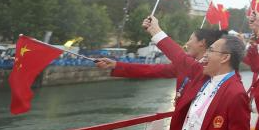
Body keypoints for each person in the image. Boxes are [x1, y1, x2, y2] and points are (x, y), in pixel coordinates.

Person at [94, 27, 223, 106]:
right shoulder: (186, 66)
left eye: (190, 39)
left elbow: (178, 55)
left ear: (202, 42)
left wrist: (155, 29)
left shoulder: (210, 70)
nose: (187, 43)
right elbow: (151, 70)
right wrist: (116, 65)